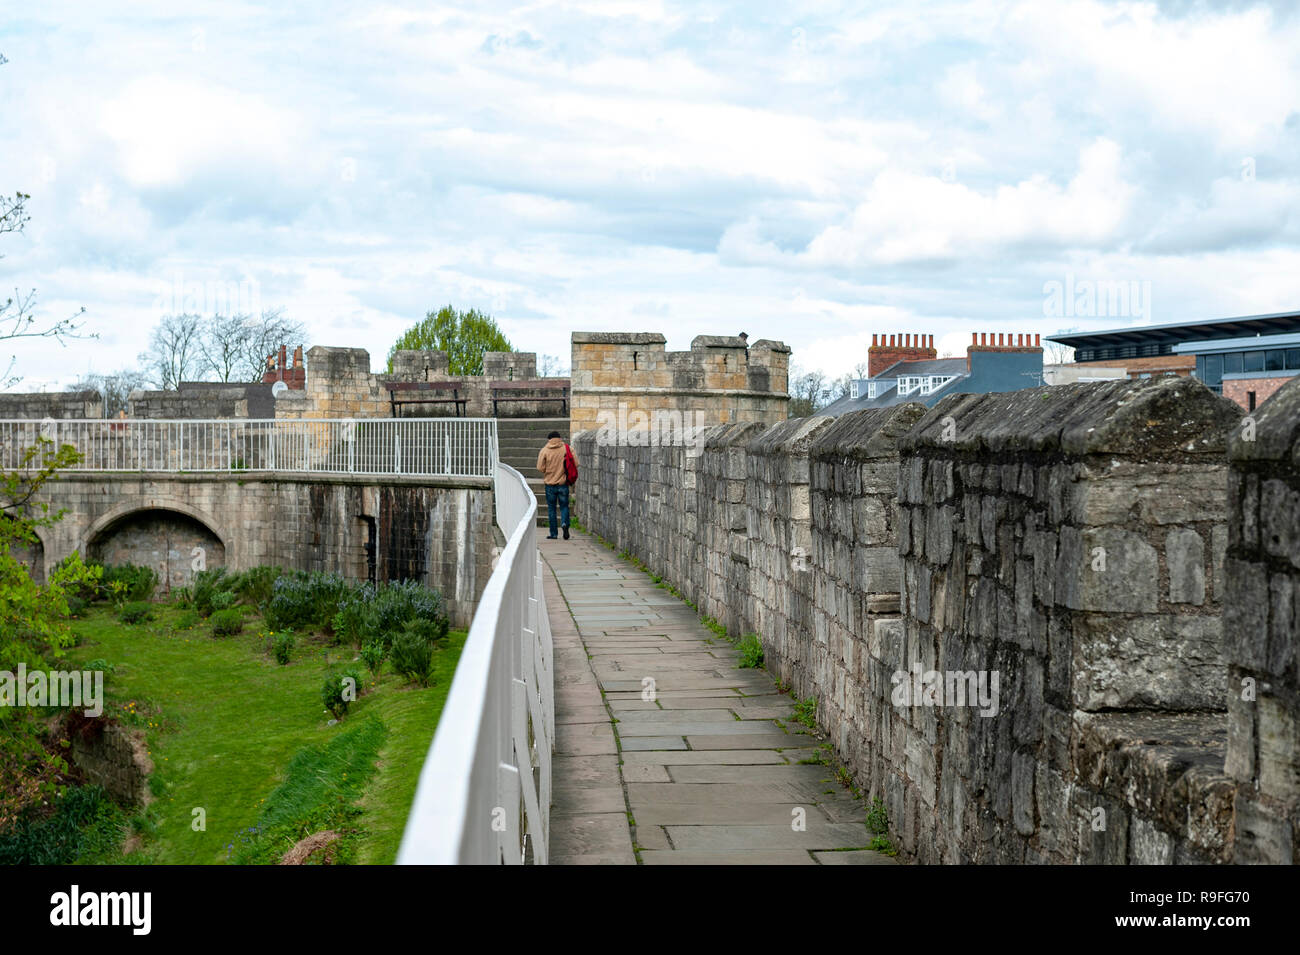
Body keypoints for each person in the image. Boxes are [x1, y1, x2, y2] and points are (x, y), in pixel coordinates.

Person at [536, 430, 574, 539]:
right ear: (560, 438)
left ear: (549, 439)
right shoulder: (567, 448)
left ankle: (553, 534)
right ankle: (565, 523)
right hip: (563, 483)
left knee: (551, 508)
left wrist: (547, 470)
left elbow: (540, 467)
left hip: (550, 484)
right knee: (564, 506)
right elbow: (576, 463)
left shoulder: (544, 450)